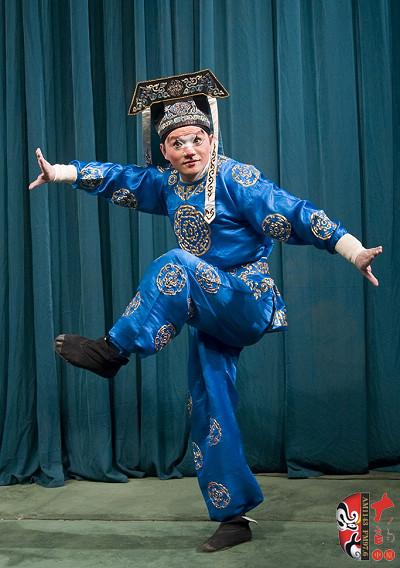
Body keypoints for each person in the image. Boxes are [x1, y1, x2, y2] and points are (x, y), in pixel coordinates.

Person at [29, 75, 382, 553]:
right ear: (164, 151)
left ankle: (112, 350)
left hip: (245, 298)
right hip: (206, 305)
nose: (189, 149)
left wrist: (352, 249)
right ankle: (233, 516)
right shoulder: (168, 184)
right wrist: (61, 173)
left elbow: (293, 211)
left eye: (196, 139)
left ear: (212, 140)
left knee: (175, 262)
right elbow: (120, 177)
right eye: (177, 143)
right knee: (208, 405)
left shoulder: (237, 178)